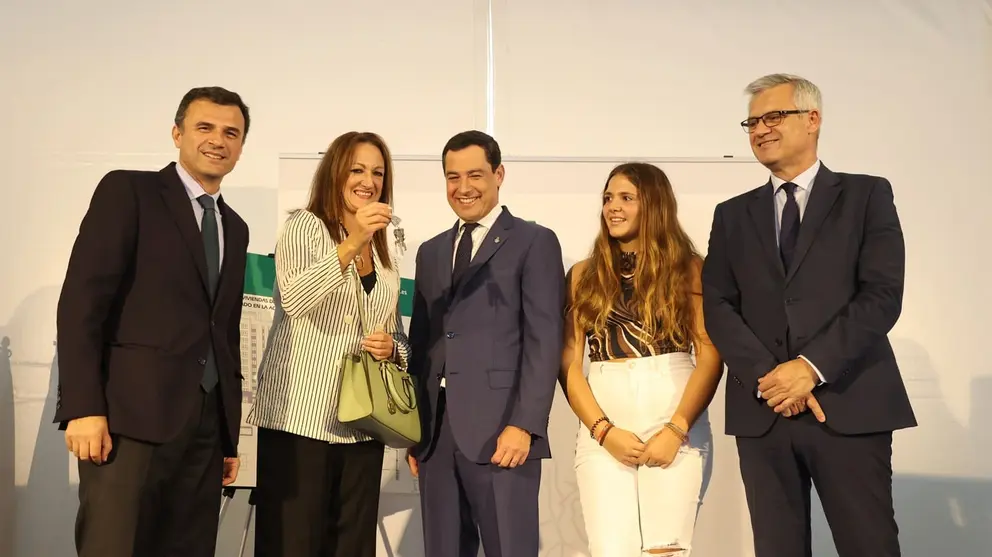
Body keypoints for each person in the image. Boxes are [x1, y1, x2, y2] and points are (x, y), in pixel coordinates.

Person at [701, 73, 917, 557]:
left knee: (869, 545)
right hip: (765, 413)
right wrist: (771, 380)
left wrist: (809, 369)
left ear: (812, 119)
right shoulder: (731, 214)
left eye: (773, 116)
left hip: (847, 404)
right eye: (752, 121)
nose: (760, 129)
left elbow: (882, 295)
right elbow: (717, 304)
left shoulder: (866, 195)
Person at [55, 86, 251, 557]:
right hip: (128, 421)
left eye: (232, 132)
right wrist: (83, 406)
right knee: (114, 547)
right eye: (205, 127)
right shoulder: (130, 191)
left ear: (241, 147)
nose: (218, 140)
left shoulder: (235, 226)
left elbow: (223, 332)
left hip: (204, 429)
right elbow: (83, 301)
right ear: (177, 132)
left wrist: (228, 433)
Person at [247, 131, 410, 557]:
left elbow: (398, 334)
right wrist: (353, 239)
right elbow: (296, 298)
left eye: (377, 172)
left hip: (364, 422)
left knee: (352, 547)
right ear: (335, 173)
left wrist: (393, 348)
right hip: (302, 416)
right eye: (357, 169)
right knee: (293, 544)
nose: (368, 181)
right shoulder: (305, 225)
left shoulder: (385, 245)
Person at [405, 130, 565, 557]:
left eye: (474, 175)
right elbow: (422, 344)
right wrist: (416, 433)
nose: (463, 188)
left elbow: (544, 339)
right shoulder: (431, 251)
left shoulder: (534, 241)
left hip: (503, 433)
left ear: (499, 174)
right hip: (437, 437)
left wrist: (525, 424)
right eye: (452, 177)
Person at [559, 162, 723, 556]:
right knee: (610, 550)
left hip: (672, 424)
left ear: (653, 205)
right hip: (603, 432)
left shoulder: (690, 269)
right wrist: (603, 431)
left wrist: (676, 430)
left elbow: (710, 353)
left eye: (626, 198)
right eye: (608, 198)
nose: (613, 207)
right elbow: (568, 362)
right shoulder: (583, 274)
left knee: (665, 551)